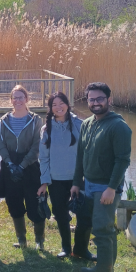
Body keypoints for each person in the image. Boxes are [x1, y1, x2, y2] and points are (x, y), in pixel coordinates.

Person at [73, 82, 133, 272]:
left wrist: (111, 188)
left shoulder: (119, 126)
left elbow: (122, 160)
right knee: (104, 229)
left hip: (106, 187)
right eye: (91, 99)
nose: (95, 103)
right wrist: (76, 182)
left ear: (109, 99)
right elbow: (80, 156)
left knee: (102, 231)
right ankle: (103, 268)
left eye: (99, 99)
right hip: (88, 184)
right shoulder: (87, 123)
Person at [36, 91, 86, 259]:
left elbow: (87, 152)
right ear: (50, 108)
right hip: (56, 180)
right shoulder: (46, 129)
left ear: (67, 104)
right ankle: (66, 248)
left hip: (77, 179)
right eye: (54, 105)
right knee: (60, 214)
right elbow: (43, 158)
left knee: (83, 214)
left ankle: (80, 248)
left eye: (61, 103)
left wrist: (84, 177)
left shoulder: (80, 125)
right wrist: (44, 182)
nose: (58, 107)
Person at [0, 85, 46, 250]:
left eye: (21, 97)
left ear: (27, 99)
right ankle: (22, 240)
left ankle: (39, 241)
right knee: (14, 204)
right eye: (15, 97)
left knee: (35, 203)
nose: (18, 100)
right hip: (10, 166)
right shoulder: (3, 121)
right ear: (11, 100)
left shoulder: (36, 120)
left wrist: (22, 165)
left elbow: (37, 145)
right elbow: (0, 143)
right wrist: (9, 163)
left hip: (30, 166)